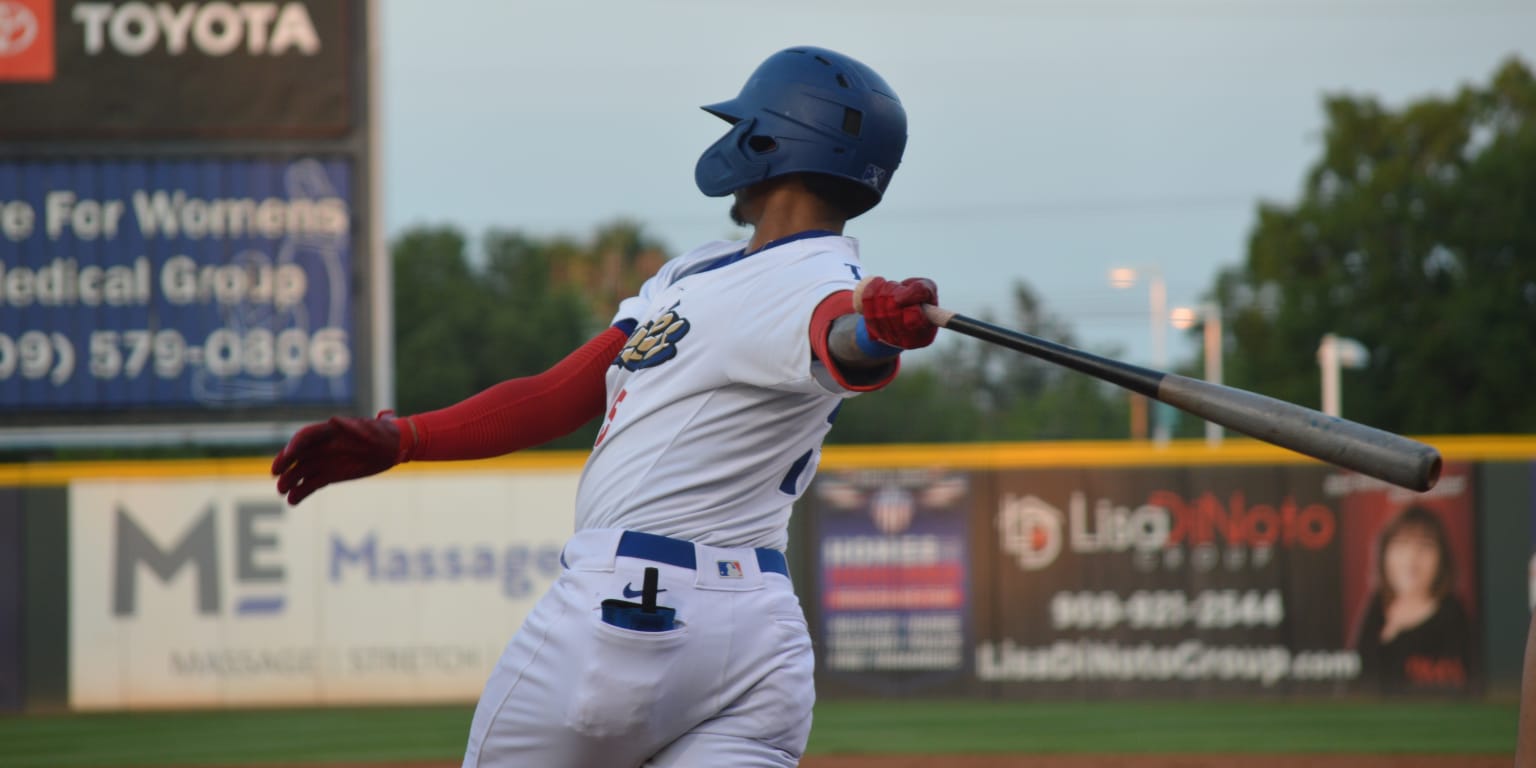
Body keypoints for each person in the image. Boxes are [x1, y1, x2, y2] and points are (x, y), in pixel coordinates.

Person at [271, 46, 937, 767]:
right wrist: (402, 437)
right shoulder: (700, 270)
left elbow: (836, 334)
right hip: (759, 643)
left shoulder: (817, 280)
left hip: (634, 614)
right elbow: (560, 393)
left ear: (771, 142)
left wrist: (877, 331)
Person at [1351, 505, 1475, 695]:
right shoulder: (1377, 605)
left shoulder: (1452, 616)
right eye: (1401, 545)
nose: (1411, 560)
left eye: (1425, 546)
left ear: (1442, 558)